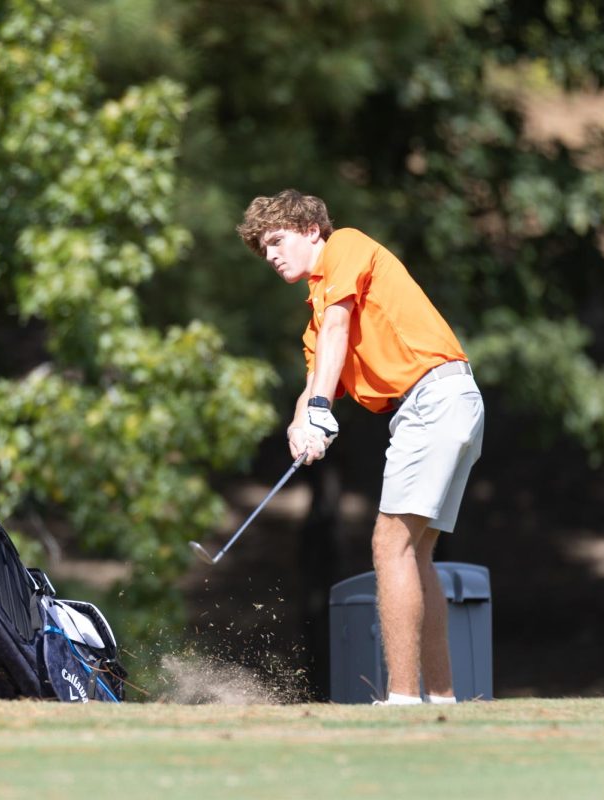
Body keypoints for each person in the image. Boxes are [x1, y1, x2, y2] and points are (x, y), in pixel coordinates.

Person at [237, 189, 485, 705]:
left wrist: (322, 409)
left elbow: (338, 326)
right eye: (264, 250)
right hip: (446, 402)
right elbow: (315, 377)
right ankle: (441, 701)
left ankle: (400, 701)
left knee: (387, 545)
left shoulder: (345, 246)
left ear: (311, 230)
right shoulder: (317, 312)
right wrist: (301, 423)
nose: (271, 255)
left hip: (434, 398)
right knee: (416, 554)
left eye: (278, 240)